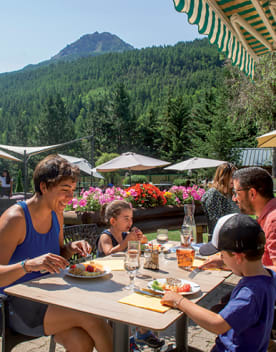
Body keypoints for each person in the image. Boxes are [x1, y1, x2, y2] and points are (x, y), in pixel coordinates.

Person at [0, 155, 112, 352]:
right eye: (64, 190)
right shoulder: (15, 219)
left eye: (72, 190)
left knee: (81, 342)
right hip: (16, 306)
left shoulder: (56, 214)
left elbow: (59, 255)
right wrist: (29, 265)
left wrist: (70, 249)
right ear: (44, 187)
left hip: (50, 297)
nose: (70, 197)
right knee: (93, 316)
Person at [162, 213, 276, 351]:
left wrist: (179, 301)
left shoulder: (250, 293)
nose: (221, 257)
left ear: (237, 256)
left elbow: (218, 324)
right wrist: (224, 263)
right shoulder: (268, 276)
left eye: (222, 254)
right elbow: (250, 264)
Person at [97, 200, 165, 351]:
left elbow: (141, 247)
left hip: (122, 279)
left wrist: (141, 239)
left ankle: (143, 332)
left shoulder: (125, 234)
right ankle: (127, 342)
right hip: (106, 284)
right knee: (124, 306)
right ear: (113, 221)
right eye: (126, 218)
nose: (130, 222)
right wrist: (125, 243)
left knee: (144, 293)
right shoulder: (105, 236)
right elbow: (108, 253)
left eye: (131, 218)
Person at [200, 167, 276, 271]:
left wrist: (237, 265)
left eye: (236, 193)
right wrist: (227, 261)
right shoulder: (267, 215)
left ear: (252, 193)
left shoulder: (273, 221)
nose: (234, 198)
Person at [201, 163, 239, 234]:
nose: (235, 179)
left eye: (236, 176)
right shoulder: (213, 194)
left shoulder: (232, 194)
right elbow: (216, 222)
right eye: (232, 176)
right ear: (223, 176)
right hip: (221, 238)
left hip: (235, 235)